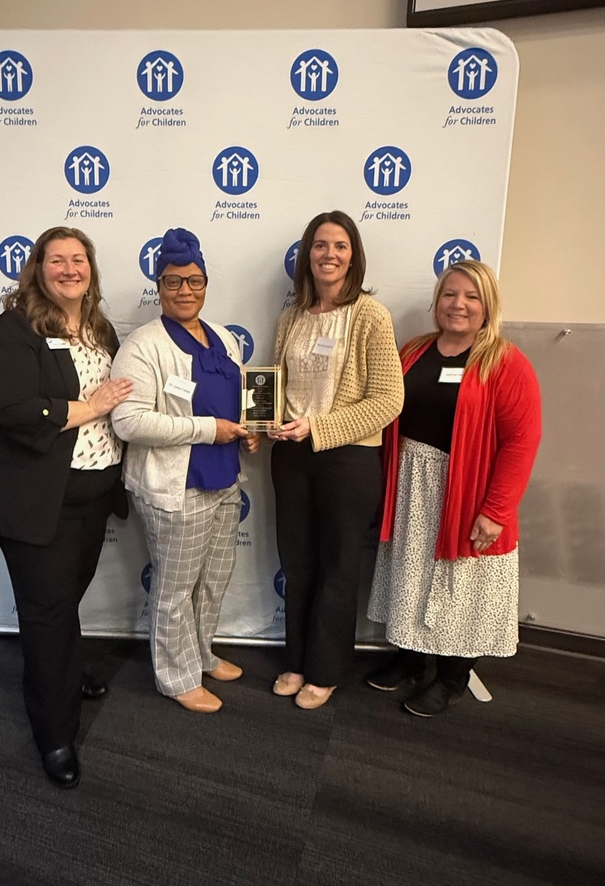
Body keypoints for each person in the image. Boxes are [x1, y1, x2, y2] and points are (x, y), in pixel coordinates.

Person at [0, 226, 133, 788]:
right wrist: (92, 405)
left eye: (78, 259)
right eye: (55, 260)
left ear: (91, 270)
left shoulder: (100, 329)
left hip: (93, 495)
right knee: (47, 613)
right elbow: (9, 405)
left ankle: (61, 671)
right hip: (38, 503)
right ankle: (55, 734)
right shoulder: (17, 327)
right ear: (37, 269)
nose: (68, 269)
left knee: (64, 601)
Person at [366, 260, 542, 716]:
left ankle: (452, 677)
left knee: (461, 584)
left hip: (466, 491)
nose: (457, 305)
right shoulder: (414, 352)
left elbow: (522, 443)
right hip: (412, 487)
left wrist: (495, 509)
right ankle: (410, 660)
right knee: (412, 576)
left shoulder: (505, 363)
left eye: (471, 297)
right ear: (437, 301)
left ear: (488, 307)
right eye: (449, 295)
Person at [110, 227, 259, 713]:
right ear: (159, 287)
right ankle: (175, 677)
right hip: (176, 489)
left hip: (224, 481)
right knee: (174, 591)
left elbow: (238, 402)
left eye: (193, 281)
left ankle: (201, 654)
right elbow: (129, 420)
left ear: (205, 283)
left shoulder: (221, 338)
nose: (185, 291)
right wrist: (206, 429)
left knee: (214, 579)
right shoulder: (143, 345)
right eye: (173, 282)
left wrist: (250, 429)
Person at [269, 210, 404, 709]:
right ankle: (296, 660)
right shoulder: (291, 317)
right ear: (308, 255)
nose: (329, 254)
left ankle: (325, 671)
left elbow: (389, 400)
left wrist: (320, 427)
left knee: (338, 565)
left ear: (354, 256)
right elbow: (278, 387)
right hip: (292, 456)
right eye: (320, 245)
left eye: (340, 245)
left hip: (347, 458)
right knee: (297, 562)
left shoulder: (370, 315)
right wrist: (267, 424)